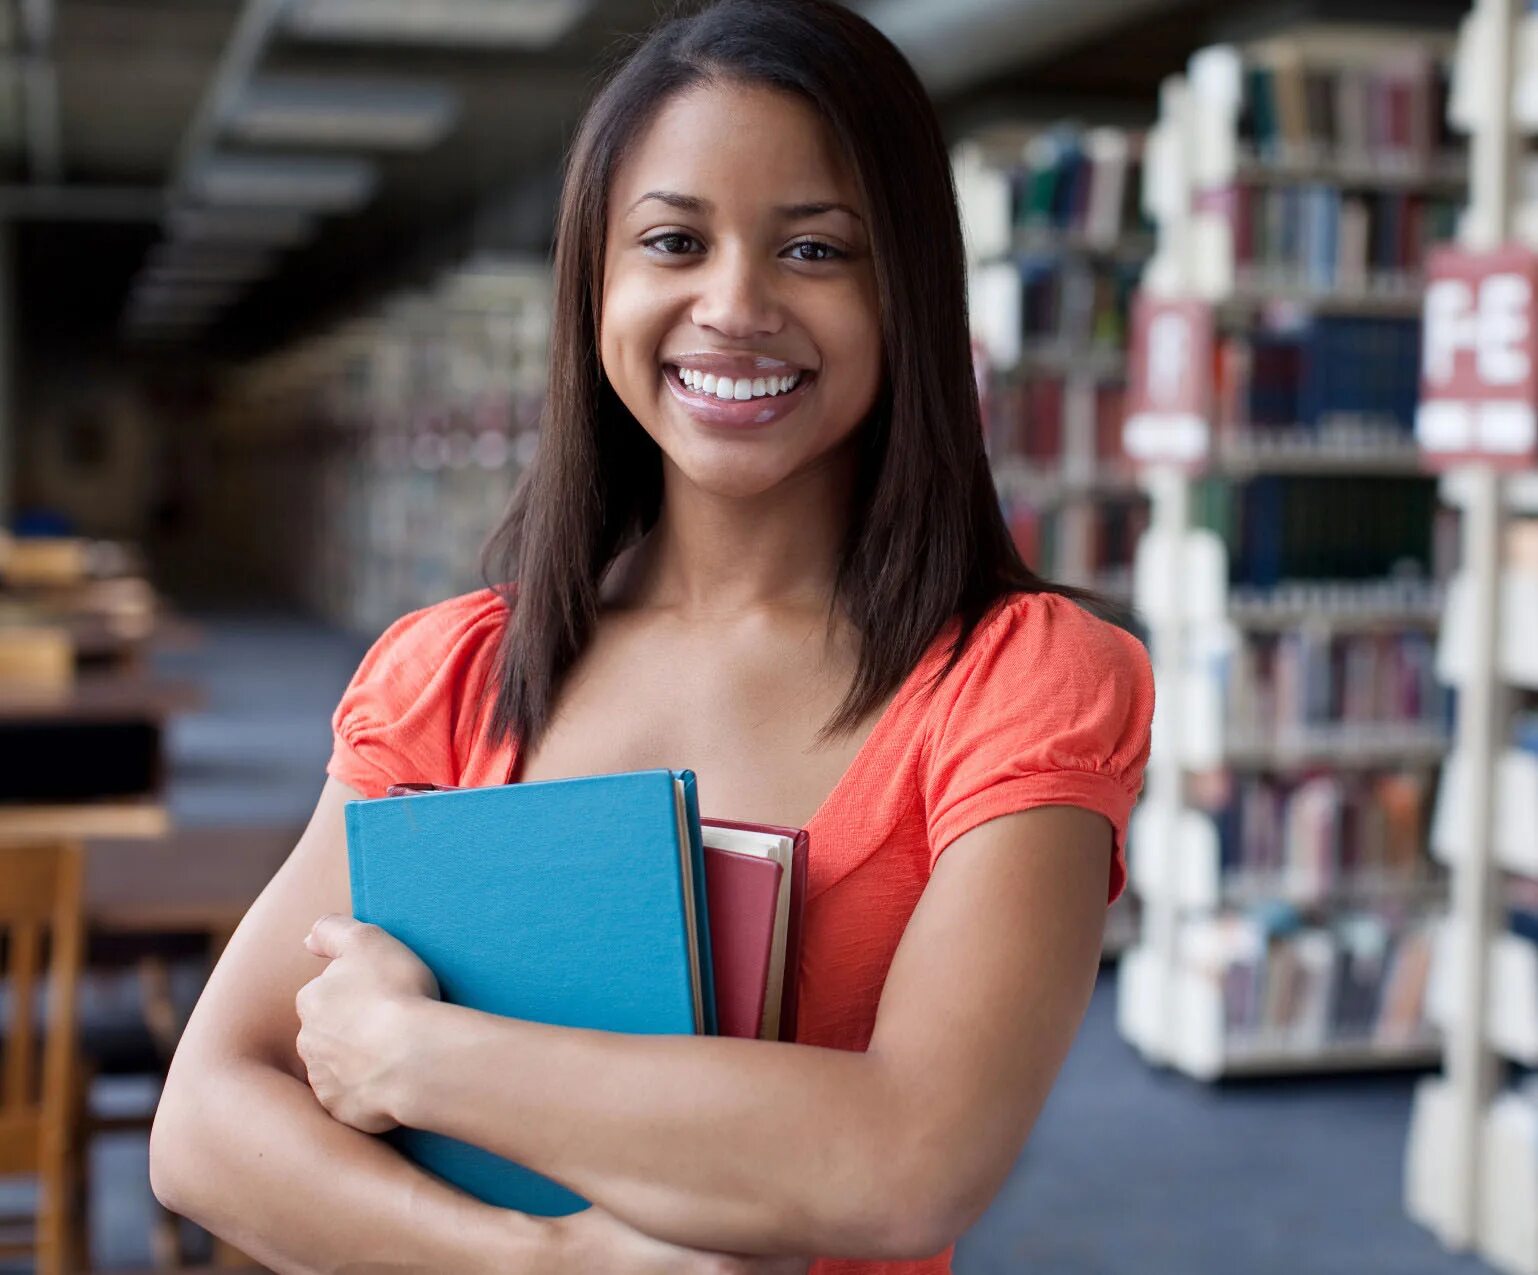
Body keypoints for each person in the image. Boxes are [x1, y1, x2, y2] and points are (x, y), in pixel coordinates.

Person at [150, 1, 1154, 1271]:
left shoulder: (1021, 682)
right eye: (674, 240)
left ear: (909, 289)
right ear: (595, 287)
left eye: (814, 251)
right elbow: (203, 1128)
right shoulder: (452, 675)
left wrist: (417, 1056)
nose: (731, 306)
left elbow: (906, 1163)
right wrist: (544, 1264)